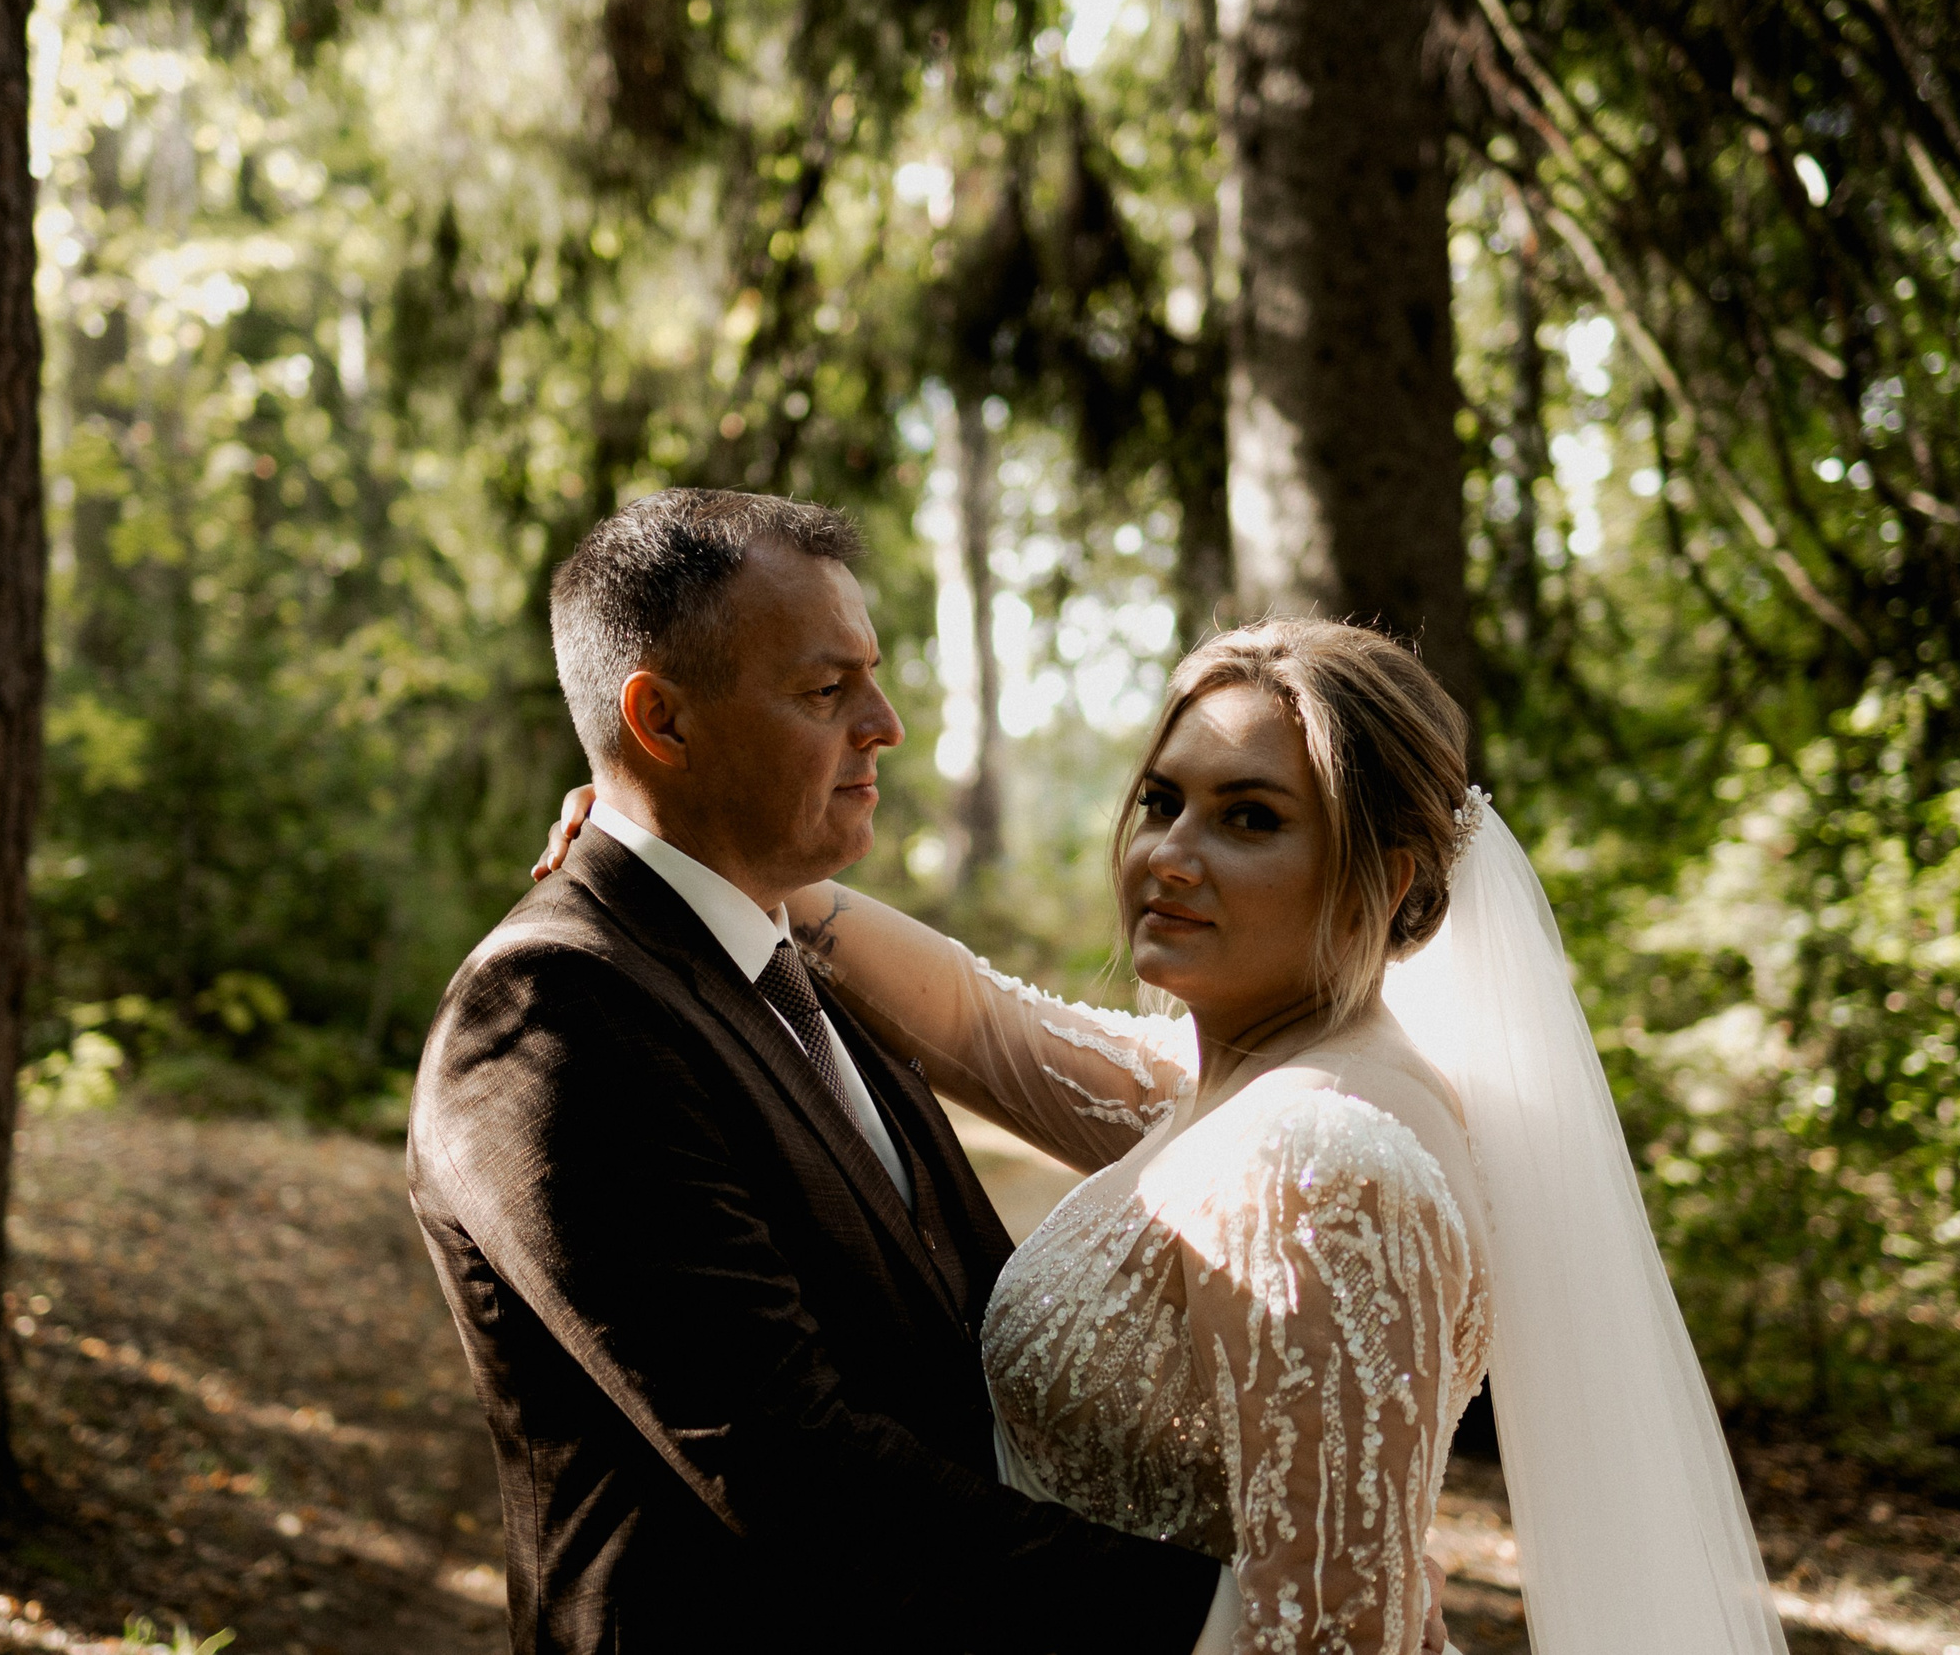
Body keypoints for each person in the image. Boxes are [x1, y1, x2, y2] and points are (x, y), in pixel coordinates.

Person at [536, 597, 1796, 1654]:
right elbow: (982, 1024)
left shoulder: (1318, 1159)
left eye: (1251, 818)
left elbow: (1328, 1640)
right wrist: (679, 849)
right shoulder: (1237, 1085)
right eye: (1161, 802)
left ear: (1393, 879)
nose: (1171, 857)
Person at [408, 488, 1242, 1655]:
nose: (886, 724)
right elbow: (787, 1461)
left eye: (874, 675)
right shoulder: (554, 1012)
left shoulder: (789, 954)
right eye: (825, 690)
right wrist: (1237, 1619)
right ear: (663, 720)